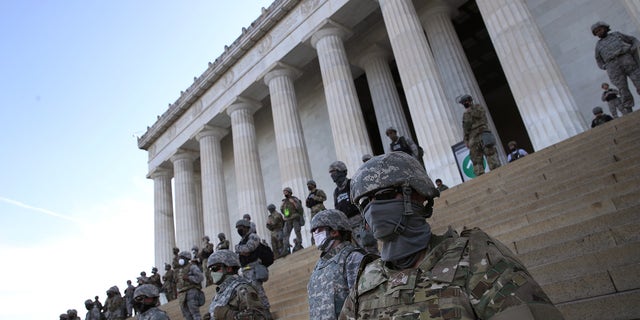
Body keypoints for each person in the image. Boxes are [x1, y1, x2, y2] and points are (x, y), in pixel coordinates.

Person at [339, 152, 563, 319]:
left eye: (384, 195)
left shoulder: (475, 257)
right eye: (365, 203)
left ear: (417, 195)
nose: (373, 208)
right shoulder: (367, 280)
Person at [308, 209, 367, 320]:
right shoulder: (319, 265)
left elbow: (364, 305)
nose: (315, 235)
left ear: (335, 231)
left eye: (319, 230)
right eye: (313, 231)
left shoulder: (352, 259)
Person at [206, 250, 272, 320]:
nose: (212, 273)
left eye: (215, 268)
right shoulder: (219, 294)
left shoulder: (242, 289)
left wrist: (229, 315)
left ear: (229, 268)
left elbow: (258, 317)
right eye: (210, 269)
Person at [329, 161, 378, 255]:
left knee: (369, 249)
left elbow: (364, 201)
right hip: (348, 226)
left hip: (360, 222)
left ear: (341, 171)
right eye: (331, 173)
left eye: (334, 172)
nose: (332, 175)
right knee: (358, 253)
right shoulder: (336, 192)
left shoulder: (351, 184)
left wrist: (367, 220)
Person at [593, 21, 640, 112]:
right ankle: (628, 107)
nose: (599, 32)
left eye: (600, 29)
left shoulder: (616, 35)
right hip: (613, 67)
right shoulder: (598, 45)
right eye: (596, 32)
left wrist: (634, 48)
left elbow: (633, 40)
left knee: (638, 80)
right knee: (622, 89)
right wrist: (604, 66)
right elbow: (598, 59)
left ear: (605, 28)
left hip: (626, 60)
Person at [459, 94, 501, 176]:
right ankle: (480, 175)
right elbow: (465, 128)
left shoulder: (478, 107)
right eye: (463, 103)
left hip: (483, 134)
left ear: (470, 101)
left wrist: (470, 110)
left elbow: (481, 116)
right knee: (476, 158)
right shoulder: (465, 114)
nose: (465, 104)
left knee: (490, 153)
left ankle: (497, 172)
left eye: (466, 102)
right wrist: (466, 140)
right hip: (473, 138)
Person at [235, 219, 271, 310]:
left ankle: (266, 310)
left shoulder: (253, 236)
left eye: (241, 228)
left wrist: (238, 248)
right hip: (245, 270)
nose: (239, 230)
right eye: (237, 228)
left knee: (258, 290)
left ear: (246, 228)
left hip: (253, 268)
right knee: (249, 293)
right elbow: (243, 252)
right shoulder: (242, 240)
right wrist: (241, 250)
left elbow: (248, 248)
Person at [175, 251, 205, 320]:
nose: (180, 259)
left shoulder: (192, 267)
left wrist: (189, 278)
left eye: (182, 258)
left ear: (186, 258)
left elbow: (200, 277)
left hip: (192, 291)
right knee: (187, 315)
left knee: (195, 313)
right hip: (182, 294)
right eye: (180, 258)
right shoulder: (180, 270)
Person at [280, 187, 303, 252]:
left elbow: (299, 208)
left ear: (289, 192)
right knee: (285, 233)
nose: (285, 193)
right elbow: (282, 210)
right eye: (284, 192)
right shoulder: (284, 201)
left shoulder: (294, 199)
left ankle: (299, 244)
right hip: (288, 219)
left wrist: (293, 202)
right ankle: (286, 248)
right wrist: (282, 207)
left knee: (297, 231)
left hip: (295, 217)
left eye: (286, 192)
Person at [305, 179, 327, 244]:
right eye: (308, 185)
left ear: (313, 185)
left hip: (320, 209)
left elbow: (324, 198)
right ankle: (314, 240)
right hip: (313, 212)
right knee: (313, 225)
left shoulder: (318, 191)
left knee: (324, 222)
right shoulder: (309, 195)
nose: (308, 186)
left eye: (310, 184)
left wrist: (315, 197)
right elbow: (307, 204)